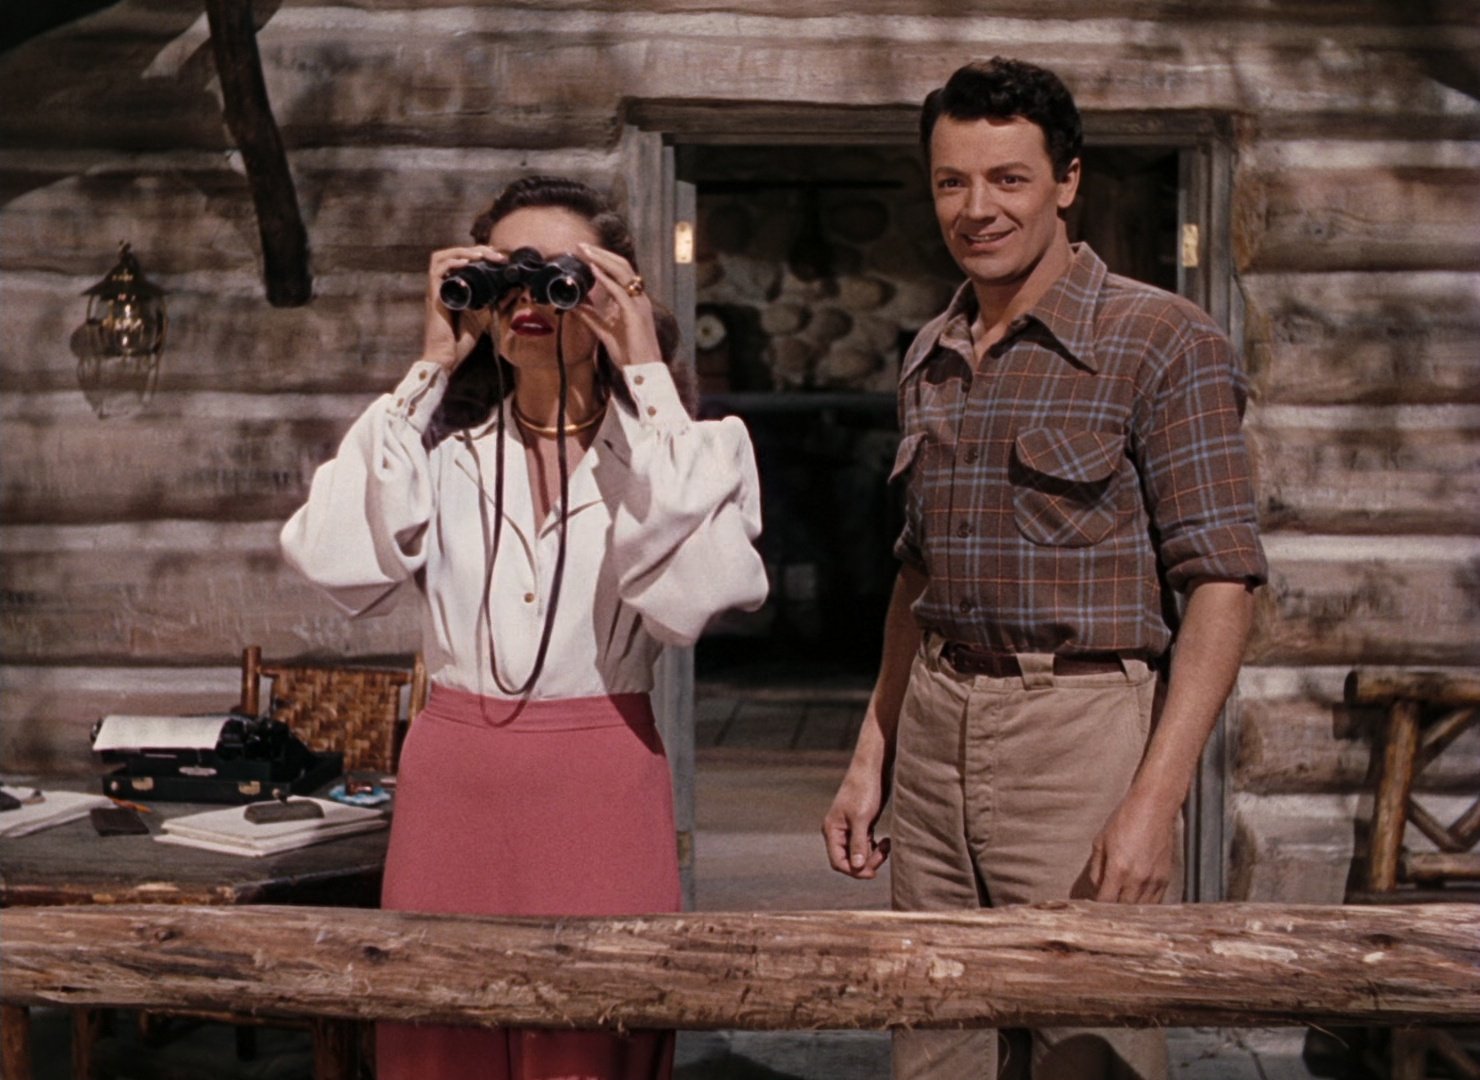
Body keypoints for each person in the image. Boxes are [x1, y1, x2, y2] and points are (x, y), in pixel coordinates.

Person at [822, 58, 1268, 1080]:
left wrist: (1154, 804)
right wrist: (870, 753)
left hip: (1077, 729)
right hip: (936, 724)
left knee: (1086, 1038)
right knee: (934, 1032)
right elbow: (915, 577)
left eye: (1008, 179)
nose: (976, 208)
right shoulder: (931, 350)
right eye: (952, 181)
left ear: (1067, 181)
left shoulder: (1161, 340)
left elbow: (1221, 583)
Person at [282, 175, 768, 1080]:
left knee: (591, 1040)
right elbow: (330, 553)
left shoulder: (681, 459)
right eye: (503, 275)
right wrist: (432, 362)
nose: (527, 298)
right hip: (453, 788)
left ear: (613, 290)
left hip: (601, 783)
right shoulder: (437, 460)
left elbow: (695, 597)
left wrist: (644, 368)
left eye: (556, 275)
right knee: (439, 1044)